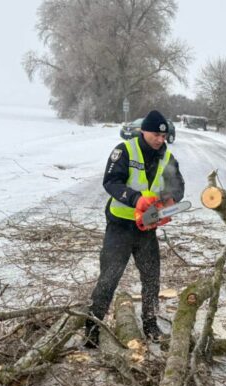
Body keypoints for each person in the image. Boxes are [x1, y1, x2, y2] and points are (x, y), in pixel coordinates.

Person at [86, 110, 185, 347]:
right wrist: (135, 199)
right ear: (144, 131)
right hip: (120, 226)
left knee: (151, 278)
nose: (160, 140)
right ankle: (91, 329)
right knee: (109, 278)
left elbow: (178, 186)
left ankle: (150, 323)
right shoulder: (125, 150)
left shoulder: (167, 158)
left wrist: (168, 202)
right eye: (155, 135)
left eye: (164, 136)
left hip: (146, 229)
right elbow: (110, 182)